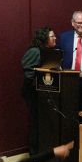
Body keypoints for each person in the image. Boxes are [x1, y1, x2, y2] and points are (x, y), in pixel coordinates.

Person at [21, 27, 57, 155]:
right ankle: (34, 153)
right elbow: (27, 67)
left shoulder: (49, 51)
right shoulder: (35, 51)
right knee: (36, 121)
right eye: (52, 36)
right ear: (44, 38)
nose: (55, 38)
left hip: (44, 92)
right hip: (33, 92)